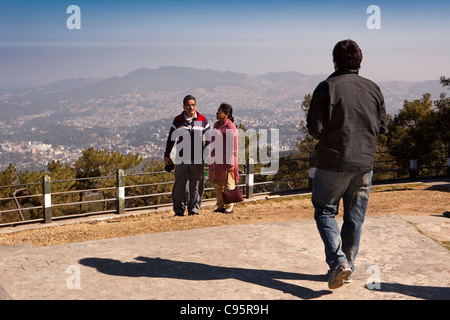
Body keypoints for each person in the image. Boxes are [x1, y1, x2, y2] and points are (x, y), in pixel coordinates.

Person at [306, 39, 387, 289]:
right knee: (355, 217)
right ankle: (347, 264)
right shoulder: (373, 88)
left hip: (333, 162)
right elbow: (382, 127)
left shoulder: (327, 87)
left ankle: (339, 262)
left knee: (325, 210)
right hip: (365, 164)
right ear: (359, 62)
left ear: (335, 61)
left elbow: (314, 128)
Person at [164, 95, 211, 216]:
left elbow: (210, 138)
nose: (191, 107)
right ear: (184, 106)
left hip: (198, 158)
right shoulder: (178, 120)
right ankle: (179, 210)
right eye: (189, 105)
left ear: (196, 106)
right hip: (182, 158)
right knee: (180, 185)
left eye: (193, 105)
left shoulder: (202, 119)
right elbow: (171, 139)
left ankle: (194, 210)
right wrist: (167, 155)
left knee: (196, 185)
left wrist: (206, 151)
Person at [208, 103, 239, 214]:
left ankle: (229, 206)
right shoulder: (216, 124)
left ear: (226, 114)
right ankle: (220, 205)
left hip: (227, 160)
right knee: (217, 184)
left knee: (228, 183)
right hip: (217, 159)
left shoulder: (230, 127)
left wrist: (231, 163)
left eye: (220, 112)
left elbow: (233, 147)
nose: (217, 113)